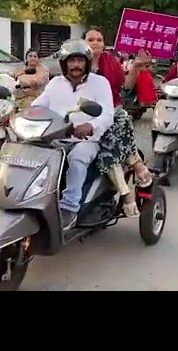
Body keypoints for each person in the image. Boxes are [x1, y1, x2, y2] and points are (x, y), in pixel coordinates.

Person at [32, 40, 115, 230]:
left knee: (78, 157)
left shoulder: (100, 83)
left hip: (86, 140)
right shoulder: (55, 83)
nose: (76, 65)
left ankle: (69, 205)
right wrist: (19, 115)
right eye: (71, 61)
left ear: (86, 62)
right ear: (64, 63)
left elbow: (108, 114)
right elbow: (38, 106)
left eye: (80, 61)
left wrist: (90, 125)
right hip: (55, 136)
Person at [85, 28, 153, 217]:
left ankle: (125, 193)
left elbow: (126, 87)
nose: (95, 42)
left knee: (109, 143)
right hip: (84, 117)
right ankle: (137, 165)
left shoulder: (111, 61)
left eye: (99, 39)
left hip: (113, 112)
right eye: (91, 39)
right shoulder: (76, 62)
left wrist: (135, 67)